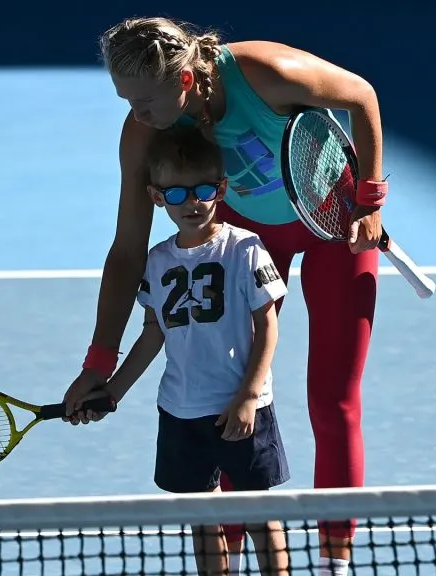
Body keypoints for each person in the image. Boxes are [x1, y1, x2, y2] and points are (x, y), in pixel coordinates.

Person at [64, 15, 388, 576]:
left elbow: (361, 96)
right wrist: (99, 361)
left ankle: (334, 561)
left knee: (332, 400)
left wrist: (370, 200)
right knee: (226, 396)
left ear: (186, 81)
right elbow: (128, 250)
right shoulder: (143, 131)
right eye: (126, 100)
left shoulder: (265, 72)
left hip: (335, 224)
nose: (136, 114)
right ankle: (230, 562)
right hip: (254, 236)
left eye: (145, 101)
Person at [73, 123, 291, 575]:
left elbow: (268, 328)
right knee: (202, 515)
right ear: (157, 197)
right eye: (176, 194)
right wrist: (112, 391)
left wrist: (248, 397)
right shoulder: (157, 261)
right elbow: (153, 334)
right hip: (181, 410)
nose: (192, 203)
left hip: (241, 406)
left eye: (203, 190)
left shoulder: (244, 249)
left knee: (258, 513)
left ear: (221, 189)